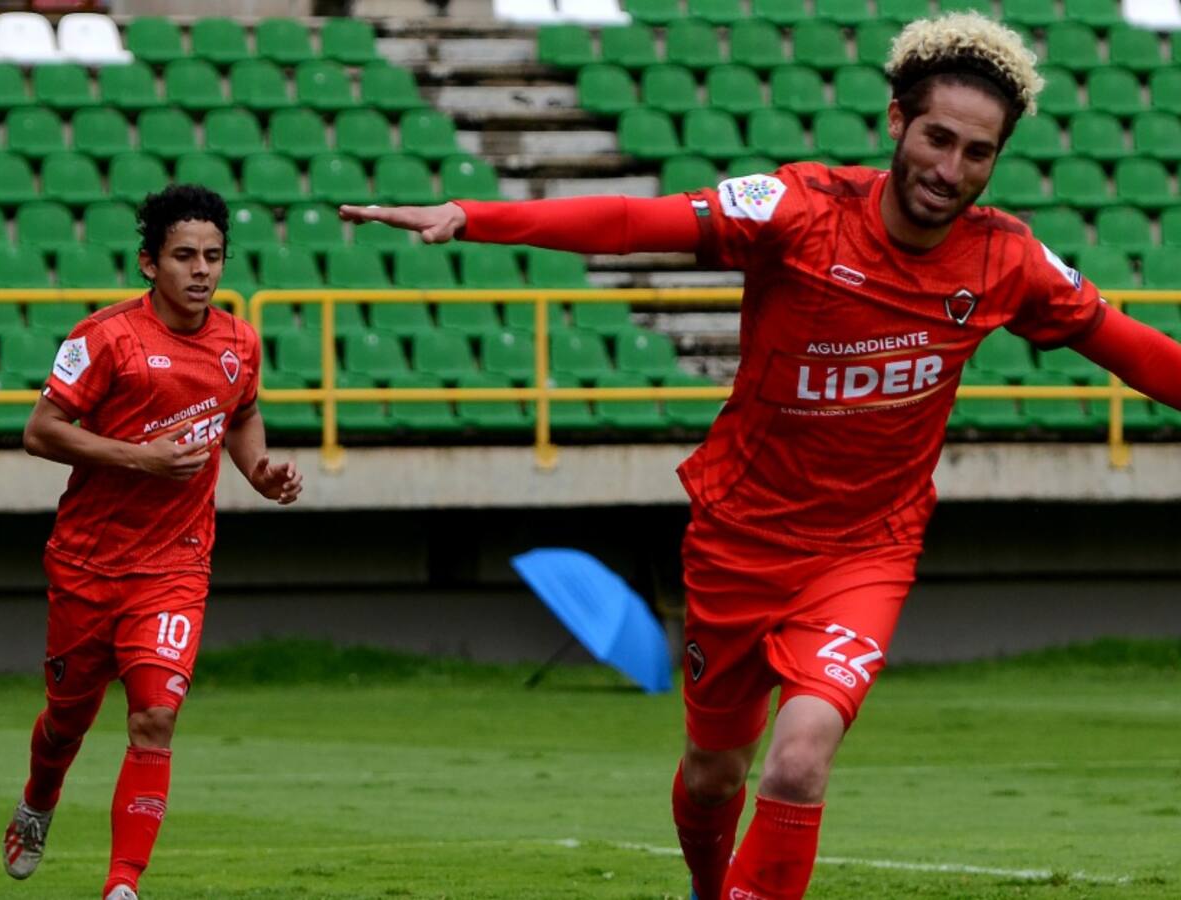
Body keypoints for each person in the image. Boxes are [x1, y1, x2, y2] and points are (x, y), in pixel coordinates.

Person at [339, 13, 1181, 899]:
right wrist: (472, 215)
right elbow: (631, 221)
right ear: (898, 122)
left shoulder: (1007, 260)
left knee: (800, 760)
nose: (951, 170)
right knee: (715, 773)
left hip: (866, 550)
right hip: (739, 540)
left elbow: (1130, 346)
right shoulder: (799, 210)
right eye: (938, 138)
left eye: (979, 153)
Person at [3, 184, 302, 900]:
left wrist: (259, 471)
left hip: (174, 565)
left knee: (155, 716)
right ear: (149, 263)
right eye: (184, 256)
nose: (201, 270)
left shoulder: (239, 341)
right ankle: (40, 799)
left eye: (214, 257)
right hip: (87, 564)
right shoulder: (103, 338)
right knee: (65, 725)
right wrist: (141, 457)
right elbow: (39, 432)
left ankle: (122, 887)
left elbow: (241, 414)